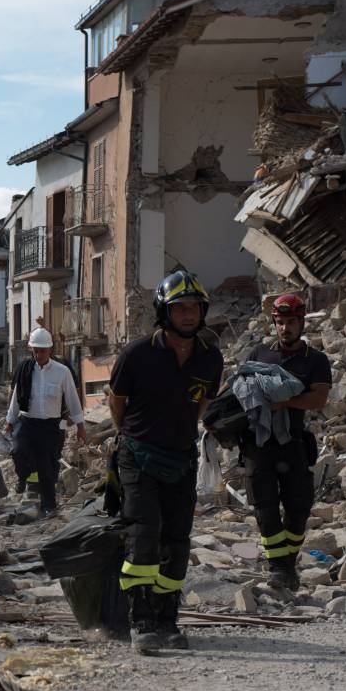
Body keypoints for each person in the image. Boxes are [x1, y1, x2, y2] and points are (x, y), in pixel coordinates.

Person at [108, 270, 223, 654]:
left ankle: (167, 619)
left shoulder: (211, 357)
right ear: (165, 312)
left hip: (181, 457)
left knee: (175, 540)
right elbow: (117, 402)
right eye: (180, 308)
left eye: (194, 308)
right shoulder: (136, 355)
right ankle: (141, 622)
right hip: (138, 456)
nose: (189, 315)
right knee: (144, 534)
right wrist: (132, 437)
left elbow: (204, 402)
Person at [241, 292, 331, 590]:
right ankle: (278, 568)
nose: (285, 328)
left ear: (302, 322)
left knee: (299, 506)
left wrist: (285, 400)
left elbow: (318, 398)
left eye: (291, 322)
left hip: (293, 443)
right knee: (264, 507)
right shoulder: (259, 354)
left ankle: (288, 561)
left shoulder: (315, 360)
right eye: (280, 322)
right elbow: (241, 386)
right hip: (259, 444)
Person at [5, 328, 87, 515]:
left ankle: (49, 506)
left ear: (50, 349)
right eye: (35, 350)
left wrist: (81, 427)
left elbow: (73, 400)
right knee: (18, 450)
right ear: (31, 350)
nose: (39, 354)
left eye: (42, 350)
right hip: (27, 422)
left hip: (50, 426)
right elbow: (16, 397)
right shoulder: (25, 369)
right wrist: (10, 421)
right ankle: (23, 477)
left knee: (47, 468)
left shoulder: (62, 372)